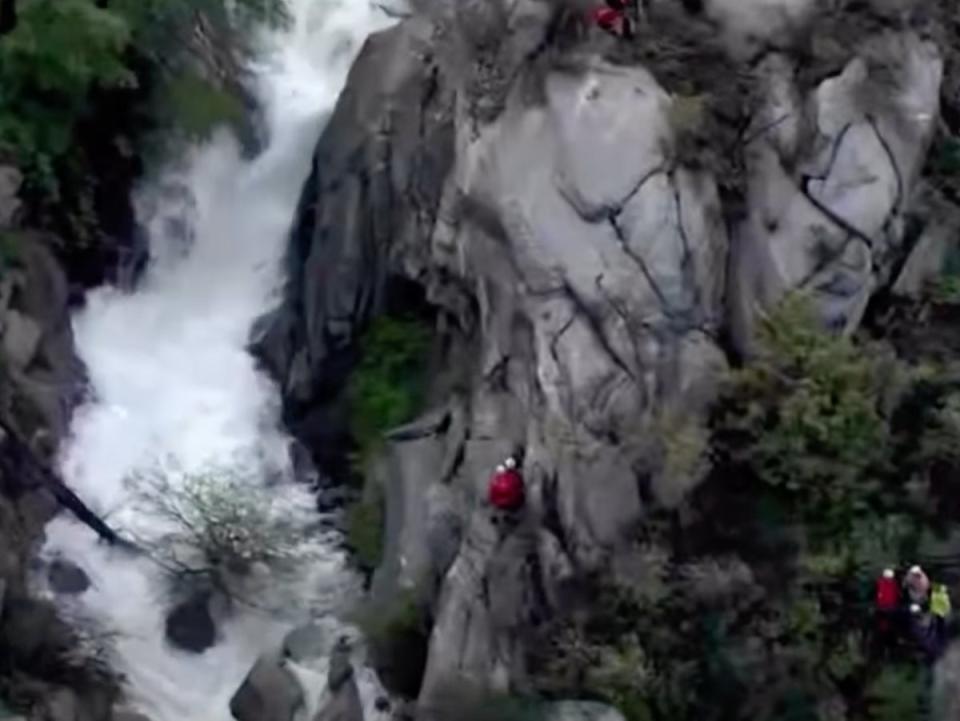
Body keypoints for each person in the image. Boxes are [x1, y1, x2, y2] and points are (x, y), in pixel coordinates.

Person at [874, 568, 900, 652]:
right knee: (884, 628)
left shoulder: (892, 584)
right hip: (884, 608)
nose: (890, 579)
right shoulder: (881, 583)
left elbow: (895, 595)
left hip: (890, 608)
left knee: (889, 627)